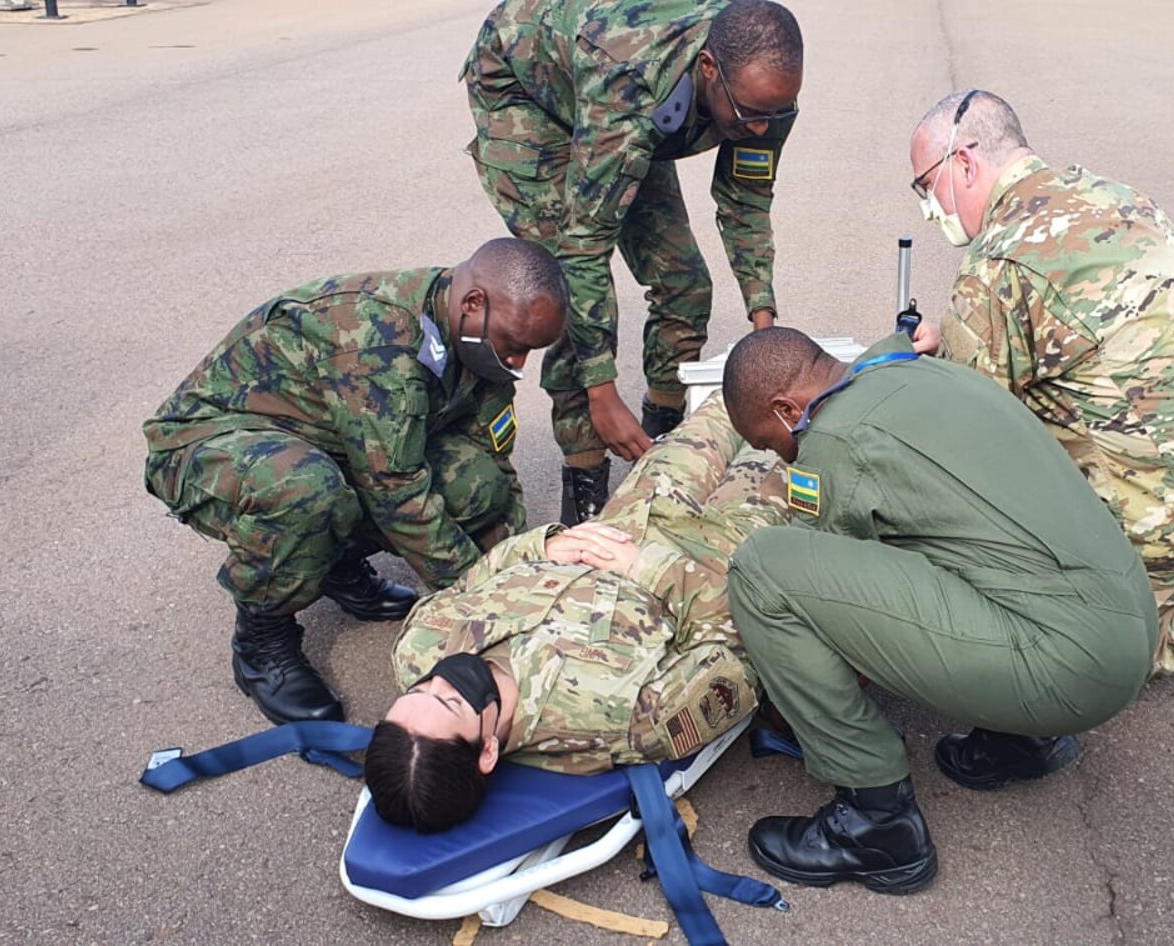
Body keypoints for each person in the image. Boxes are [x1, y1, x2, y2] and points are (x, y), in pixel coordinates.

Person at [905, 90, 1174, 725]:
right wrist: (954, 334)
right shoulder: (1114, 196)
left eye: (926, 186)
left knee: (1058, 648)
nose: (930, 210)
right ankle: (1159, 594)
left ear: (965, 164)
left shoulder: (999, 262)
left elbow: (963, 430)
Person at [720, 327, 1160, 894]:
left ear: (785, 409)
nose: (779, 453)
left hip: (1067, 669)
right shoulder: (929, 373)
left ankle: (875, 824)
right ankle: (1020, 738)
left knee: (764, 568)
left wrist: (795, 697)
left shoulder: (834, 440)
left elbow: (824, 583)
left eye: (767, 441)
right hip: (1128, 627)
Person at [143, 239, 567, 725]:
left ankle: (334, 567)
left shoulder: (478, 335)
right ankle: (261, 639)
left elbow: (495, 466)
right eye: (515, 346)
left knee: (476, 481)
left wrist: (524, 582)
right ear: (474, 303)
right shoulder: (381, 340)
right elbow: (396, 490)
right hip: (207, 444)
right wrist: (482, 601)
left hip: (325, 441)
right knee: (307, 491)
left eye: (529, 351)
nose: (518, 362)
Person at [365, 396, 787, 833]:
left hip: (646, 501)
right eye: (451, 701)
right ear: (486, 751)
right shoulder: (622, 716)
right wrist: (650, 570)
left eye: (417, 691)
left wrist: (540, 548)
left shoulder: (418, 650)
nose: (441, 678)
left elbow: (471, 584)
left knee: (741, 392)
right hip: (734, 537)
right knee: (804, 424)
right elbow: (740, 644)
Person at [462, 0, 804, 524]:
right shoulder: (628, 86)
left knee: (684, 284)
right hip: (525, 90)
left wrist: (764, 323)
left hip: (626, 103)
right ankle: (586, 487)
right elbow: (584, 245)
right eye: (751, 115)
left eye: (774, 116)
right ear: (710, 68)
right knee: (563, 295)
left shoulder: (766, 94)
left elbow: (746, 202)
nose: (761, 129)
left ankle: (663, 453)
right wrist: (602, 392)